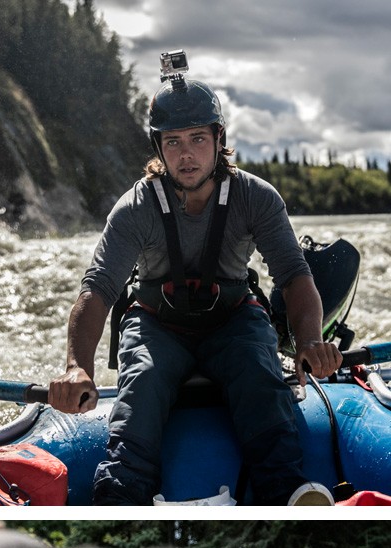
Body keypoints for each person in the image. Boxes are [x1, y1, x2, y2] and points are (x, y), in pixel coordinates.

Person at [45, 62, 342, 506]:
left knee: (259, 374)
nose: (186, 155)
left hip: (234, 320)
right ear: (158, 148)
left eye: (198, 139)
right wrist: (76, 366)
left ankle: (287, 490)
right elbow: (98, 290)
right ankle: (120, 495)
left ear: (219, 140)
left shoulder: (256, 197)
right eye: (174, 142)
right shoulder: (134, 208)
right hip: (156, 326)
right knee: (142, 380)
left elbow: (294, 275)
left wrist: (311, 340)